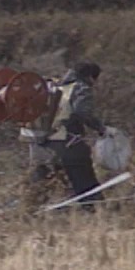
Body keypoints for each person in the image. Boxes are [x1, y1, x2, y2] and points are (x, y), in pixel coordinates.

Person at [21, 61, 107, 208]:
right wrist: (100, 128)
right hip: (66, 140)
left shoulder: (51, 86)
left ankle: (29, 207)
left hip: (38, 141)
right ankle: (93, 206)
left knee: (41, 177)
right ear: (91, 77)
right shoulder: (81, 88)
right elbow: (82, 112)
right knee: (82, 171)